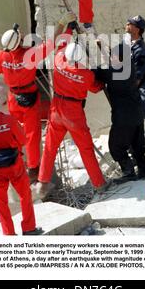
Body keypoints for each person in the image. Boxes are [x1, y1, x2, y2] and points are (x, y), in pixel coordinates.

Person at [0, 12, 76, 184]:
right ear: (19, 41)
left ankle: (17, 163)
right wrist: (65, 27)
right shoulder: (29, 55)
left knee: (15, 133)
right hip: (29, 98)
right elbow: (51, 44)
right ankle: (33, 168)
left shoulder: (3, 55)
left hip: (13, 98)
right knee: (31, 134)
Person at [36, 36, 109, 198]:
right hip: (73, 112)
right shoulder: (86, 74)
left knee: (50, 146)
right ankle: (99, 184)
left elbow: (60, 48)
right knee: (85, 148)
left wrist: (66, 29)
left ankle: (42, 182)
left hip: (56, 108)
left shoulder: (58, 61)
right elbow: (96, 87)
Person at [0, 88, 42, 236]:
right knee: (25, 195)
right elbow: (23, 140)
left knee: (1, 202)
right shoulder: (9, 120)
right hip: (14, 164)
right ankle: (29, 228)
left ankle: (9, 233)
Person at [95, 43, 145, 181]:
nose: (111, 58)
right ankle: (144, 169)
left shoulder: (113, 72)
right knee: (137, 144)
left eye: (113, 56)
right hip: (137, 114)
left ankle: (129, 172)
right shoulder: (130, 67)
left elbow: (96, 72)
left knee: (116, 147)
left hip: (123, 117)